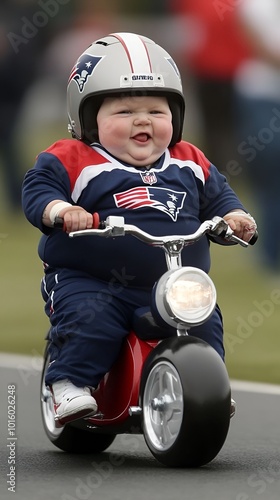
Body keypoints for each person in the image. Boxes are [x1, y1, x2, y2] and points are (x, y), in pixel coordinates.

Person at [22, 33, 257, 426]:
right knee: (90, 319)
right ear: (87, 117)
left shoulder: (188, 160)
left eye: (156, 110)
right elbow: (39, 190)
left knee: (203, 317)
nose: (143, 120)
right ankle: (68, 384)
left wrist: (235, 219)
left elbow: (219, 198)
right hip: (92, 280)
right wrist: (62, 210)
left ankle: (206, 388)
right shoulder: (72, 158)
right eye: (125, 112)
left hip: (171, 280)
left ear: (176, 117)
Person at [234, 0, 280, 273]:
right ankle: (270, 257)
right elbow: (260, 45)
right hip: (264, 99)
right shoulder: (257, 5)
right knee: (271, 178)